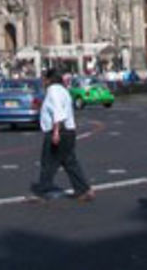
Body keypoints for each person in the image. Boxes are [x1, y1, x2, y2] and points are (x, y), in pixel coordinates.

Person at [31, 68, 95, 202]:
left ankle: (43, 191)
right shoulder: (63, 90)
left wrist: (55, 132)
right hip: (68, 131)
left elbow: (58, 112)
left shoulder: (53, 91)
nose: (43, 82)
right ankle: (84, 189)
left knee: (48, 162)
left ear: (49, 79)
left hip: (59, 131)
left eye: (44, 79)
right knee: (69, 162)